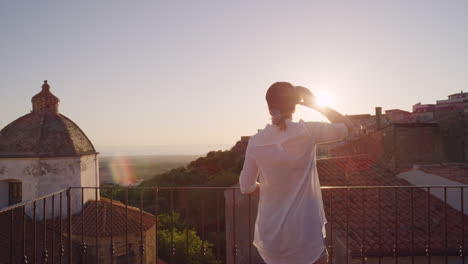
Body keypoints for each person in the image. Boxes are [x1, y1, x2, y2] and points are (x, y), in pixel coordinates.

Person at [239, 82, 355, 264]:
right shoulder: (308, 131)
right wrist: (313, 103)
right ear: (294, 106)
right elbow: (348, 126)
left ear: (270, 109)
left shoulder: (256, 142)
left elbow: (246, 187)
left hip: (272, 235)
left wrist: (271, 189)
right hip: (305, 231)